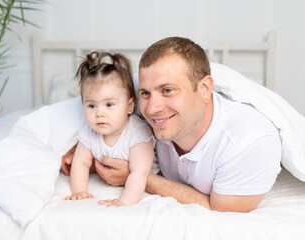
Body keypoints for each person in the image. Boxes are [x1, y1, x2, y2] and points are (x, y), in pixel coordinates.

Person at [63, 37, 282, 212]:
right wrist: (75, 151)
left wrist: (140, 177)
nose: (151, 108)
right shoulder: (136, 106)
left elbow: (220, 209)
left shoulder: (248, 142)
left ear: (205, 89)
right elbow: (102, 104)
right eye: (146, 93)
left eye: (168, 90)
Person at [64, 51, 155, 207]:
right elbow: (81, 164)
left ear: (129, 106)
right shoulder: (89, 132)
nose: (99, 113)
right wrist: (79, 191)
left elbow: (139, 173)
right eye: (91, 105)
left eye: (109, 104)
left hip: (142, 181)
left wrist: (124, 202)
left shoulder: (137, 132)